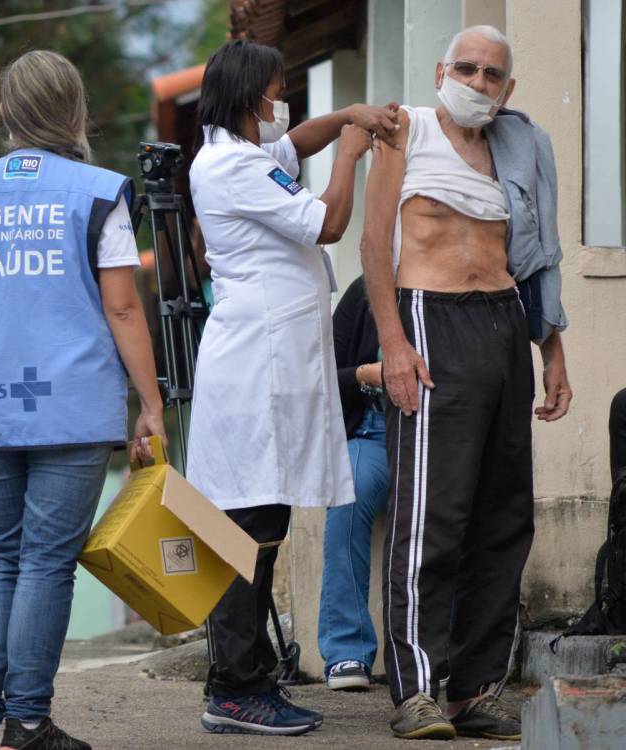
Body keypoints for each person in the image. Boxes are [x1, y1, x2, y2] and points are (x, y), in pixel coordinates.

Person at [0, 49, 166, 750]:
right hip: (73, 406)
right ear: (75, 113)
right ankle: (26, 721)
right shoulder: (95, 192)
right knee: (47, 562)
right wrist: (150, 402)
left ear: (3, 112)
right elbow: (122, 308)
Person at [361, 25, 572, 742]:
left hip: (506, 324)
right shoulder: (406, 131)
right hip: (429, 320)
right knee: (432, 516)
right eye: (469, 69)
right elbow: (372, 241)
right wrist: (393, 344)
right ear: (442, 70)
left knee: (504, 515)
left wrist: (553, 349)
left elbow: (540, 253)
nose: (479, 83)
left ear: (507, 89)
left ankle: (474, 690)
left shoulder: (519, 147)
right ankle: (416, 689)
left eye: (493, 75)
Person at [185, 38, 398, 737]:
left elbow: (293, 143)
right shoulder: (229, 166)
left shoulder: (246, 148)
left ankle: (246, 679)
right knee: (246, 523)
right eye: (280, 91)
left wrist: (343, 118)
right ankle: (234, 685)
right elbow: (329, 222)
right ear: (252, 98)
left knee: (262, 517)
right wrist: (350, 155)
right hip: (258, 365)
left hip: (269, 363)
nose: (287, 105)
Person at [317, 276, 387, 692]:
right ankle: (347, 651)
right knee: (349, 496)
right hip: (373, 430)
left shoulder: (452, 284)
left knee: (448, 512)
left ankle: (442, 651)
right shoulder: (366, 291)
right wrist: (366, 374)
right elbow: (324, 374)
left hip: (437, 434)